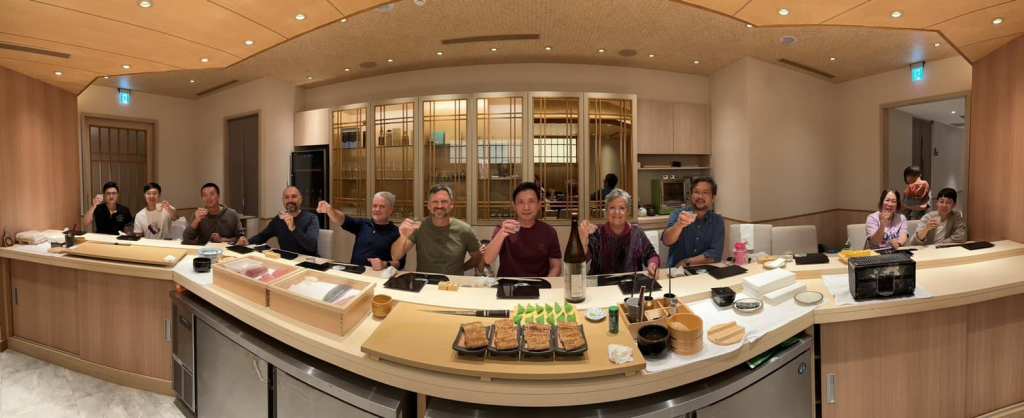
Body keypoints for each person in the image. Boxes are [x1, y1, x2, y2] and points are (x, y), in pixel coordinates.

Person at [391, 185, 482, 275]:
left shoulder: (465, 230)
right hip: (425, 281)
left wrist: (461, 268)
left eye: (444, 201)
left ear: (451, 205)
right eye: (435, 202)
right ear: (429, 206)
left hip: (453, 282)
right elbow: (395, 256)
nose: (439, 206)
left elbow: (477, 257)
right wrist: (403, 235)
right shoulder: (419, 227)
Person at [482, 182, 562, 277]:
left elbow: (556, 266)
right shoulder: (504, 228)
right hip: (508, 284)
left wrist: (546, 283)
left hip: (539, 284)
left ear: (539, 205)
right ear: (514, 206)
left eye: (531, 201)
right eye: (521, 202)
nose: (526, 207)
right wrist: (501, 233)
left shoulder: (549, 231)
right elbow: (487, 260)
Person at [579, 189, 659, 277]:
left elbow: (652, 255)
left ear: (628, 212)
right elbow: (581, 261)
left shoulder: (637, 233)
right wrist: (584, 239)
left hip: (631, 282)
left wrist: (652, 264)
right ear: (606, 211)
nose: (617, 212)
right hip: (601, 283)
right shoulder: (597, 233)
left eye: (622, 208)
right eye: (612, 208)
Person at [317, 192, 405, 270]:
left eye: (382, 207)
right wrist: (330, 210)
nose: (377, 209)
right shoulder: (363, 224)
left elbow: (400, 263)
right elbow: (342, 219)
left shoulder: (397, 233)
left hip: (378, 276)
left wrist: (385, 264)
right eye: (375, 206)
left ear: (391, 210)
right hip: (355, 272)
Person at [662, 176, 725, 267]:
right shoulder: (678, 214)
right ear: (691, 195)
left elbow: (715, 255)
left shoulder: (717, 221)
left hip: (705, 270)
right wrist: (679, 225)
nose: (700, 196)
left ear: (713, 198)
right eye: (696, 192)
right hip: (676, 271)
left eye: (705, 192)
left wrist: (686, 262)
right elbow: (666, 241)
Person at [247, 186, 320, 256]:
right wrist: (247, 242)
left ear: (300, 199)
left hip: (308, 260)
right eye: (286, 197)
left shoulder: (311, 218)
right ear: (283, 200)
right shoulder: (278, 219)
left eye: (294, 196)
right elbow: (262, 236)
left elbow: (311, 246)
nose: (290, 200)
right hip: (287, 260)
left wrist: (293, 228)